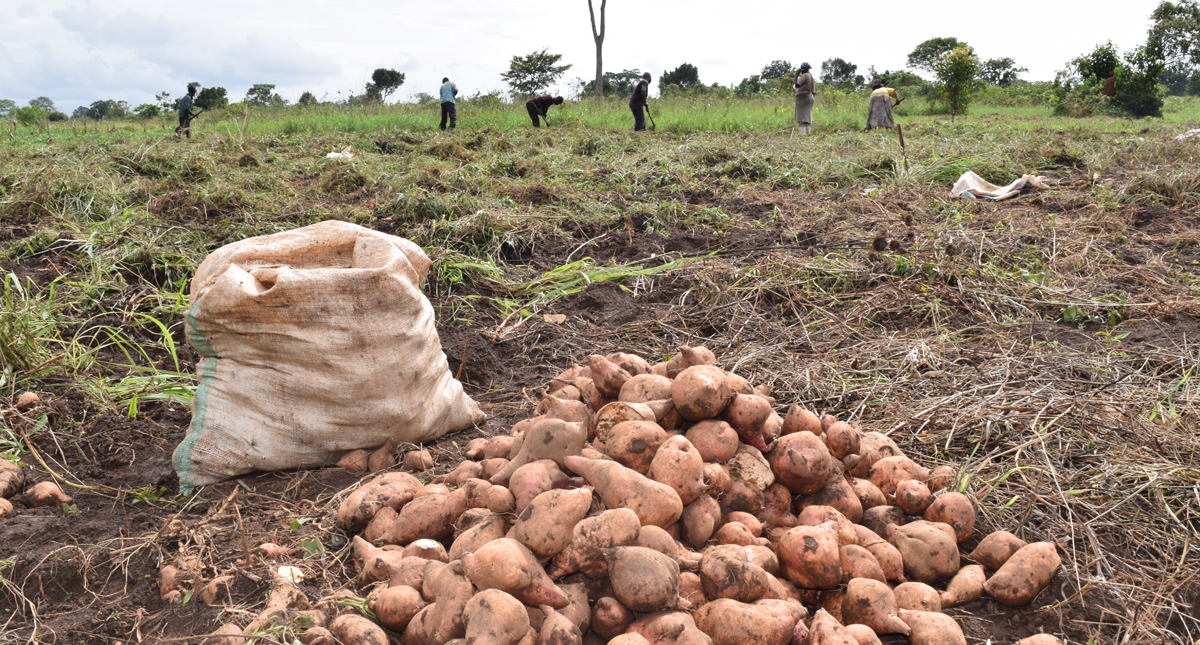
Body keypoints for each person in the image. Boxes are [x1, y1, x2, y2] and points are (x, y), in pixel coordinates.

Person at [793, 63, 815, 134]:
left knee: (801, 116)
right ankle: (808, 132)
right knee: (807, 115)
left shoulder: (804, 75)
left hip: (802, 97)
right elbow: (813, 91)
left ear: (803, 69)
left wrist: (797, 74)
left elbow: (797, 85)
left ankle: (802, 134)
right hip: (810, 96)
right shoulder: (810, 76)